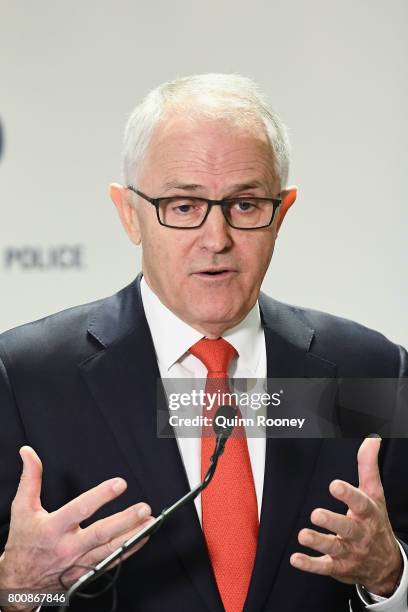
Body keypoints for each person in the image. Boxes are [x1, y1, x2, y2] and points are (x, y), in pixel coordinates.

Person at [0, 73, 407, 612]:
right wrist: (17, 589)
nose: (217, 239)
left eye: (245, 205)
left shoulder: (369, 370)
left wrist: (391, 576)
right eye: (184, 206)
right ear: (130, 214)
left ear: (280, 213)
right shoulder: (25, 378)